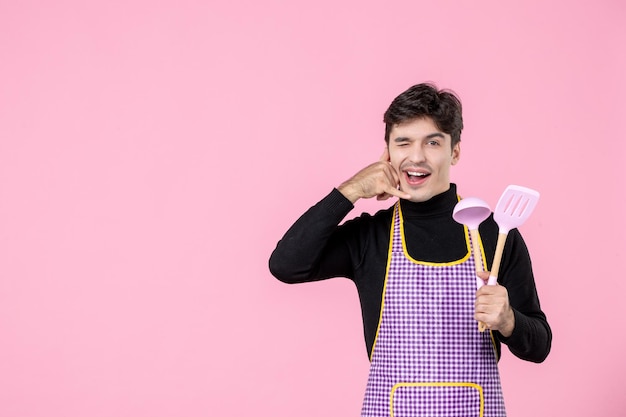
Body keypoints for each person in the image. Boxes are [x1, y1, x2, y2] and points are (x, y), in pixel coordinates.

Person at [269, 83, 551, 417]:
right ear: (387, 152)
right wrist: (353, 189)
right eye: (403, 142)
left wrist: (508, 321)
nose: (416, 156)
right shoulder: (371, 236)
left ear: (455, 151)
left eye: (433, 142)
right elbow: (286, 264)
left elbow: (540, 345)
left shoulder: (493, 233)